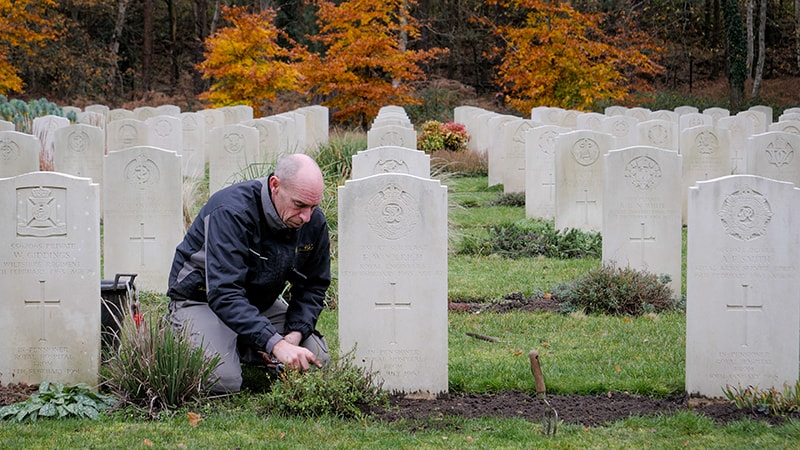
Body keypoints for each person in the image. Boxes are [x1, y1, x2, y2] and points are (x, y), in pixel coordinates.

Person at [166, 153, 331, 393]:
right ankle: (183, 330)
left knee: (316, 359)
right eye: (299, 205)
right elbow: (224, 293)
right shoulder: (230, 211)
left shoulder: (312, 221)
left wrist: (292, 336)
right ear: (275, 185)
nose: (307, 217)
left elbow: (314, 285)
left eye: (313, 206)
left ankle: (243, 343)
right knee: (222, 381)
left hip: (257, 302)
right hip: (203, 299)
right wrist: (275, 343)